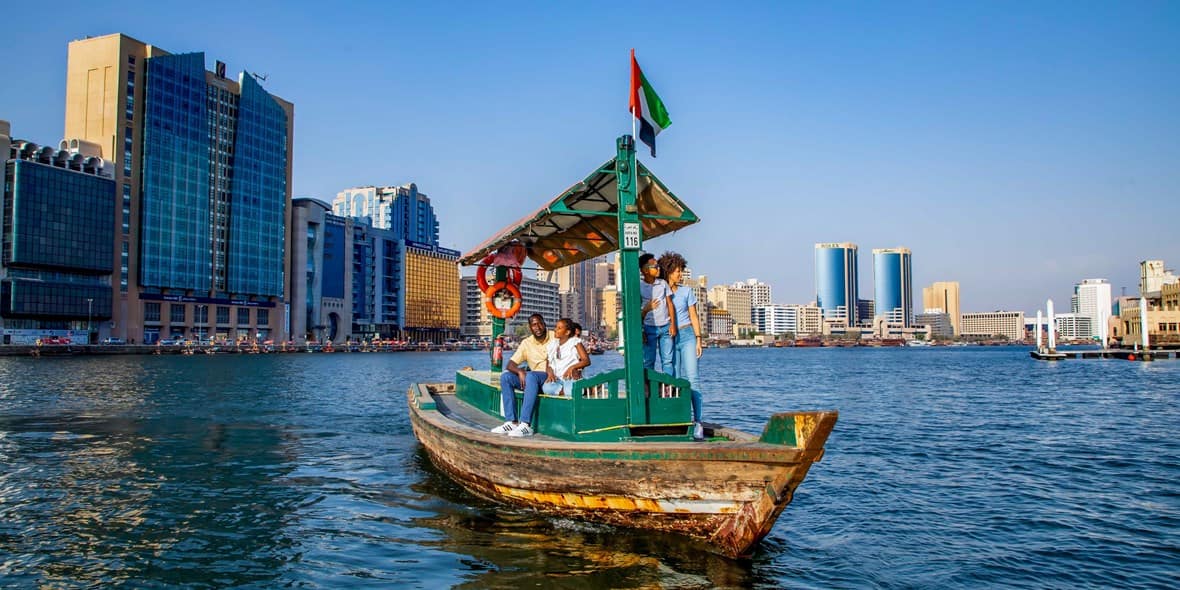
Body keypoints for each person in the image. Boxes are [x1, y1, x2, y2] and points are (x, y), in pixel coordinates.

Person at [660, 251, 706, 441]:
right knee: (675, 380)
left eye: (681, 270)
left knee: (693, 379)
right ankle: (679, 418)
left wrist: (698, 339)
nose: (680, 274)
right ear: (669, 271)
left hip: (687, 335)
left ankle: (698, 422)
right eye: (678, 271)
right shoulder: (660, 291)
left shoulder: (687, 291)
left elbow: (694, 316)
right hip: (669, 337)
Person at [492, 314, 552, 437]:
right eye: (534, 325)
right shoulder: (527, 343)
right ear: (530, 328)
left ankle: (526, 424)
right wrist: (520, 372)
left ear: (544, 324)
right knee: (506, 377)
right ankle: (511, 422)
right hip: (532, 380)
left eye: (540, 323)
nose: (538, 327)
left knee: (531, 376)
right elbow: (510, 364)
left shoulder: (554, 336)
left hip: (549, 377)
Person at [639, 252, 676, 374]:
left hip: (665, 327)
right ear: (645, 270)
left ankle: (669, 388)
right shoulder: (639, 286)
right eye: (655, 267)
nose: (658, 268)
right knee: (649, 361)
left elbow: (670, 303)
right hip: (649, 328)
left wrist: (673, 325)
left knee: (667, 361)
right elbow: (637, 310)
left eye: (658, 266)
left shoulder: (663, 283)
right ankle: (649, 389)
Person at [542, 318, 591, 397]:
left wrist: (572, 367)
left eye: (559, 328)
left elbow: (586, 361)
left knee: (570, 390)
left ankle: (582, 389)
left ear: (567, 332)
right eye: (556, 327)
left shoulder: (575, 342)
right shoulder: (552, 344)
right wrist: (550, 373)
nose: (555, 330)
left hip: (571, 378)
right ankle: (564, 391)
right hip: (557, 379)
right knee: (546, 388)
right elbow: (548, 365)